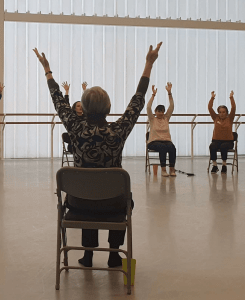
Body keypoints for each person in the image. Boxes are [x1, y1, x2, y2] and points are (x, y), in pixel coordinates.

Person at [33, 42, 161, 269]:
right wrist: (148, 64)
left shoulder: (75, 127)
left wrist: (47, 70)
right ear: (109, 108)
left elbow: (58, 100)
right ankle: (113, 255)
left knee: (87, 190)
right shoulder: (118, 130)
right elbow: (138, 100)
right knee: (116, 195)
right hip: (114, 202)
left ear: (82, 107)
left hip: (78, 201)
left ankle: (88, 255)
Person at [147, 83, 177, 177]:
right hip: (153, 141)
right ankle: (163, 170)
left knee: (172, 148)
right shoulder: (152, 119)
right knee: (162, 147)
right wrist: (153, 95)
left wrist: (169, 93)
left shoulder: (166, 118)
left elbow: (171, 106)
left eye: (162, 111)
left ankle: (172, 169)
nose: (160, 113)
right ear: (155, 112)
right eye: (158, 111)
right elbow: (148, 107)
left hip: (166, 141)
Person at [208, 90, 237, 174]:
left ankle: (224, 165)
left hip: (228, 141)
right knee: (212, 146)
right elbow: (210, 108)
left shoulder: (230, 119)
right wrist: (212, 98)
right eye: (220, 112)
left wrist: (231, 97)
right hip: (216, 141)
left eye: (223, 112)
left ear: (226, 113)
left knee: (224, 146)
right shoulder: (215, 118)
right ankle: (215, 165)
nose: (222, 114)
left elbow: (233, 108)